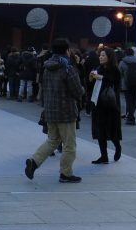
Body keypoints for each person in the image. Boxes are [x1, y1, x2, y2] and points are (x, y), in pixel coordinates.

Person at [24, 37, 84, 184]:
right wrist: (82, 89)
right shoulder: (67, 68)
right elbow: (77, 91)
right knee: (69, 144)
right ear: (67, 50)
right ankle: (66, 173)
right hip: (66, 112)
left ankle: (34, 161)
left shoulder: (47, 67)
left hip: (50, 111)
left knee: (52, 140)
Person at [90, 48, 123, 163]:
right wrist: (91, 77)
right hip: (98, 103)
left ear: (109, 57)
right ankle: (104, 156)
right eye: (100, 55)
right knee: (100, 131)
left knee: (111, 129)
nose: (100, 57)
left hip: (110, 104)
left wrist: (101, 78)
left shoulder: (115, 69)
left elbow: (115, 82)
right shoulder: (98, 68)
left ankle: (117, 147)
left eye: (103, 55)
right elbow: (93, 84)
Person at [118, 46, 136, 125]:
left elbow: (119, 73)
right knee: (134, 100)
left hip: (126, 84)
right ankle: (131, 115)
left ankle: (130, 116)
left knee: (128, 100)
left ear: (125, 53)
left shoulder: (122, 62)